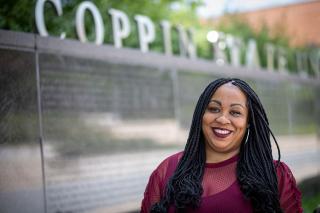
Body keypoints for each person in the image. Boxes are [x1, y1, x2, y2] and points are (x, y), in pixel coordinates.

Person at [141, 78, 302, 213]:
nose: (223, 119)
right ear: (200, 115)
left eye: (235, 112)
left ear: (248, 122)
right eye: (214, 109)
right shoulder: (168, 170)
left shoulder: (274, 174)